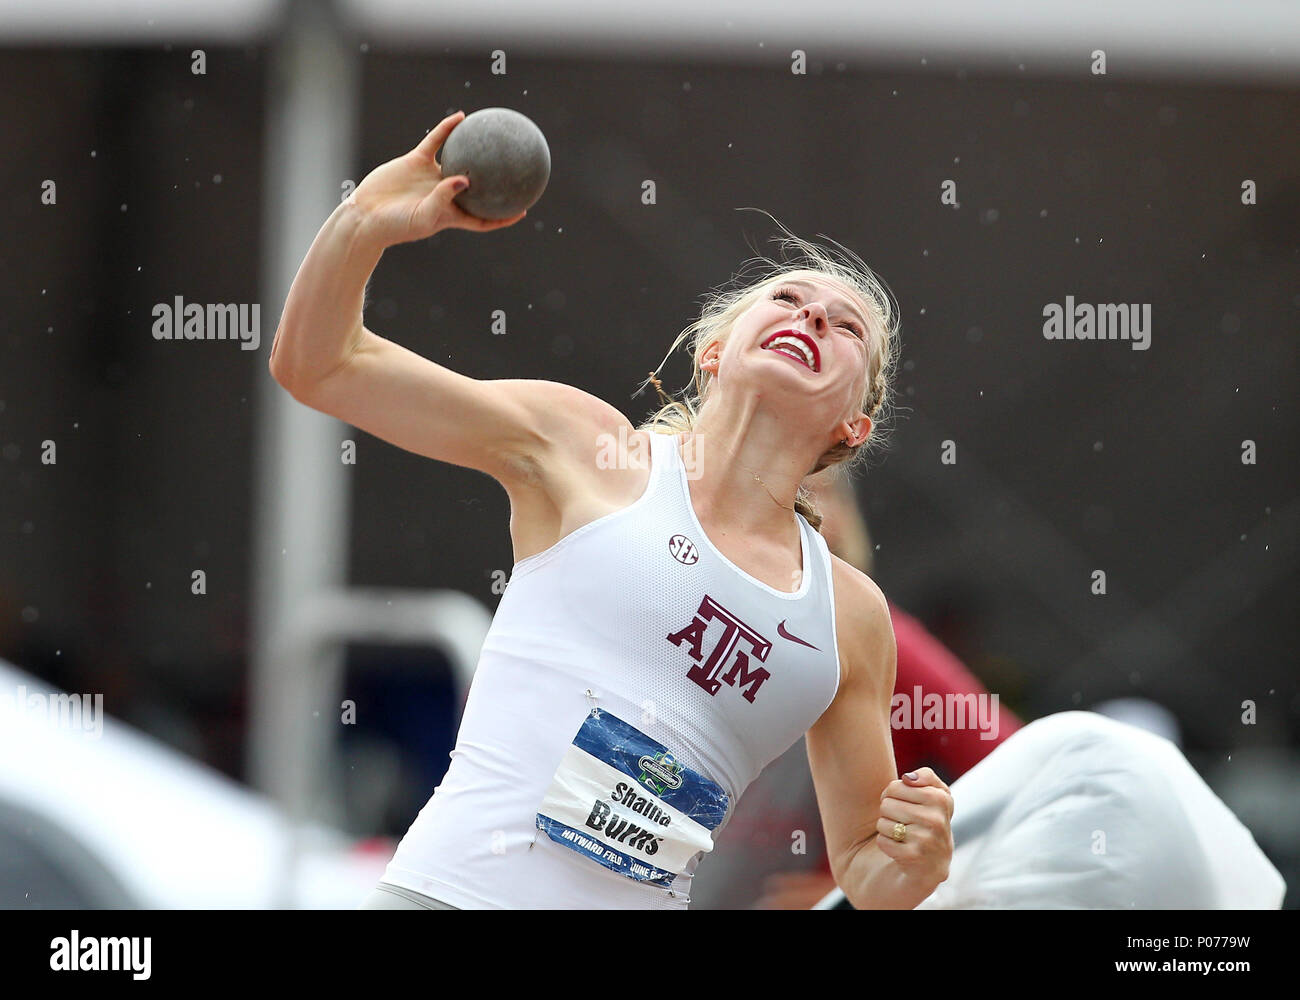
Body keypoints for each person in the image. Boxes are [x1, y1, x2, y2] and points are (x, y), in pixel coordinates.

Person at [270, 110, 953, 909]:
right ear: (714, 351)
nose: (810, 318)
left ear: (854, 427)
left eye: (844, 329)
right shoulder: (586, 447)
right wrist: (363, 223)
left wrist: (916, 857)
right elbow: (319, 366)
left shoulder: (848, 615)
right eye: (790, 299)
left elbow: (869, 871)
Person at [689, 472, 1023, 908]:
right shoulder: (693, 611)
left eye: (815, 491)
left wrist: (857, 887)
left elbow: (1020, 769)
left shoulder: (880, 642)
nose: (795, 508)